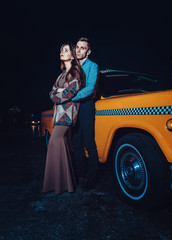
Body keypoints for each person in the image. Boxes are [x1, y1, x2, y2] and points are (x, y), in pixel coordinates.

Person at [43, 43, 85, 195]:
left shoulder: (75, 72)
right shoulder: (61, 75)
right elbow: (51, 94)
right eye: (61, 49)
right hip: (58, 114)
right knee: (60, 144)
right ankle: (64, 184)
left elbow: (70, 93)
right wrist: (59, 92)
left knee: (55, 141)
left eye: (66, 50)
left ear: (73, 55)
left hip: (68, 113)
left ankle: (62, 184)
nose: (62, 52)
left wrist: (60, 93)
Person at [72, 37, 100, 191]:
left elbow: (90, 88)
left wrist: (71, 97)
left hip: (86, 105)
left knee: (89, 142)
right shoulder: (72, 66)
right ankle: (81, 174)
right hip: (73, 107)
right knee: (76, 142)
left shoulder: (93, 66)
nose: (78, 50)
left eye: (82, 48)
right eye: (77, 47)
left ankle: (92, 175)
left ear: (88, 52)